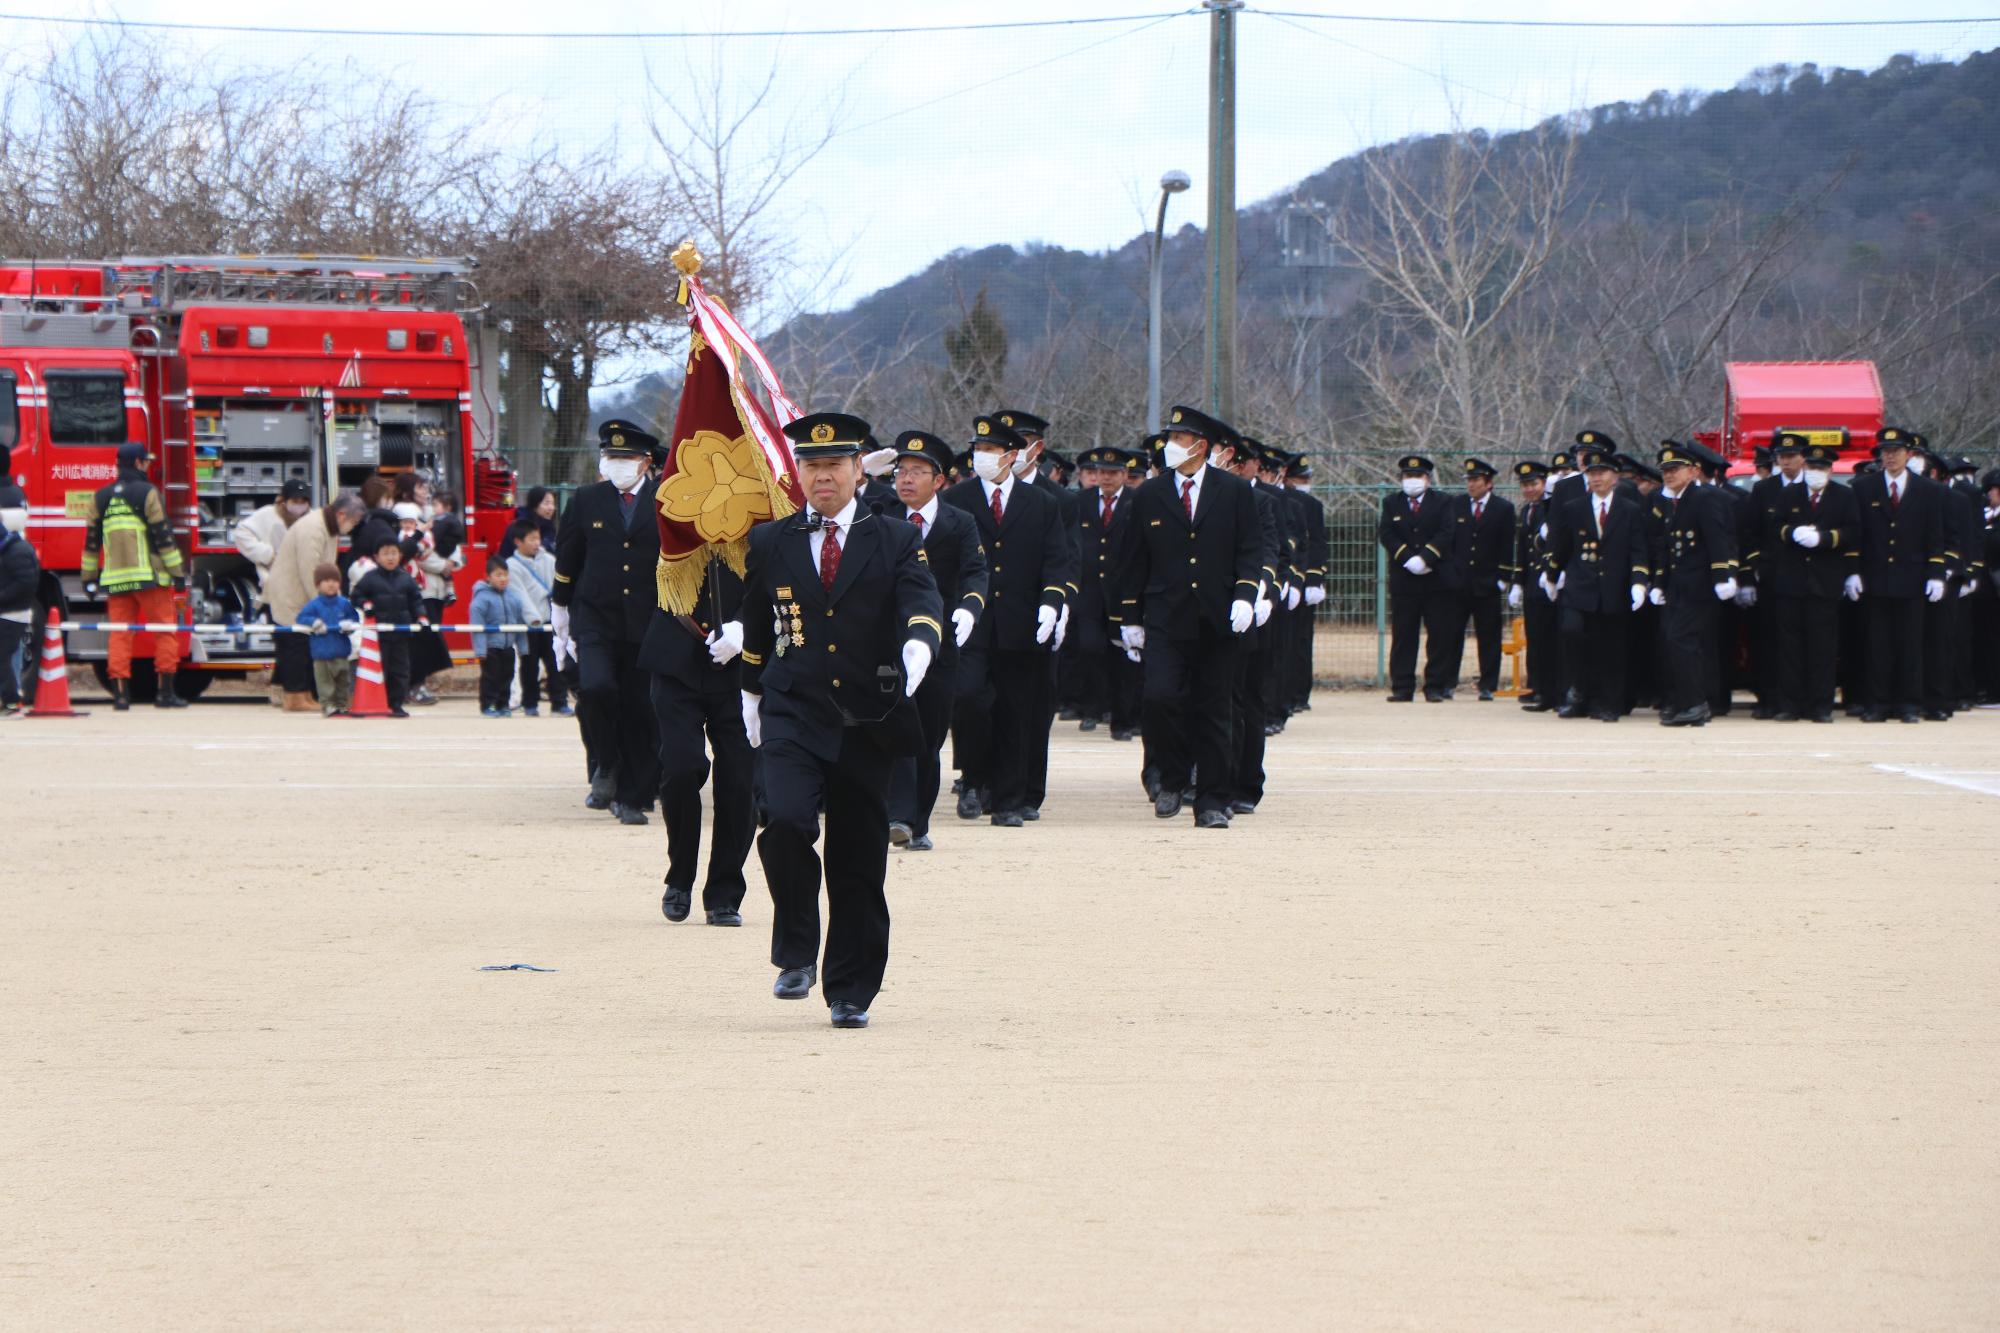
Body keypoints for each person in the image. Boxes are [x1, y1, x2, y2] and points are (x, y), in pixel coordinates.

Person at [734, 411, 943, 1029]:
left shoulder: (897, 537)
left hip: (864, 715)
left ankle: (851, 988)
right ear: (796, 472)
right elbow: (757, 619)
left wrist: (920, 642)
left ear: (859, 469)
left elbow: (921, 597)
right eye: (810, 465)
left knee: (857, 858)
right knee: (786, 822)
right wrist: (750, 692)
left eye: (833, 465)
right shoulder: (773, 541)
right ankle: (797, 947)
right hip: (793, 707)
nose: (821, 477)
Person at [1109, 404, 1262, 828]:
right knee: (1160, 699)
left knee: (1215, 708)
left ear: (1201, 445)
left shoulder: (1233, 492)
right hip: (1165, 617)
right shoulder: (1149, 495)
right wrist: (1130, 618)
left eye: (1179, 439)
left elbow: (1251, 549)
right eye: (1170, 438)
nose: (1171, 446)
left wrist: (1246, 595)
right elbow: (1132, 560)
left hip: (1217, 617)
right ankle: (1173, 778)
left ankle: (1212, 799)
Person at [940, 415, 1075, 827]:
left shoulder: (1042, 503)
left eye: (991, 451)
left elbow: (1057, 560)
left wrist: (1053, 603)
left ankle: (1010, 800)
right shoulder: (958, 499)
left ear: (1011, 456)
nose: (982, 457)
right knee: (970, 700)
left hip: (1022, 622)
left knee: (1017, 710)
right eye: (978, 450)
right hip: (972, 621)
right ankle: (975, 779)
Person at [553, 421, 664, 825]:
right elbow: (568, 558)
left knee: (640, 708)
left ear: (646, 462)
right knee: (596, 688)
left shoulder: (665, 501)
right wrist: (560, 611)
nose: (616, 464)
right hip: (595, 616)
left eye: (626, 458)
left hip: (647, 620)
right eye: (610, 457)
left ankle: (632, 797)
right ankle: (607, 762)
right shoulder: (586, 499)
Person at [885, 430, 987, 852]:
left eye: (917, 472)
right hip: (887, 643)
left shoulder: (958, 522)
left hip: (939, 646)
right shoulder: (879, 514)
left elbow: (975, 572)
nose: (906, 480)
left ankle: (918, 821)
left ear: (939, 480)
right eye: (901, 471)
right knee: (893, 730)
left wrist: (970, 607)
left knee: (928, 736)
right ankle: (896, 816)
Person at [993, 408, 1080, 818]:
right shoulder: (974, 494)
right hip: (987, 617)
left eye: (1017, 441)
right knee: (982, 702)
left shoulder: (1060, 500)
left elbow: (1069, 561)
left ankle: (1028, 789)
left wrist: (1059, 605)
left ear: (1035, 448)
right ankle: (980, 780)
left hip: (1037, 618)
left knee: (1032, 705)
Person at [81, 441, 188, 711]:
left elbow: (92, 543)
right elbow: (163, 537)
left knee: (119, 634)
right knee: (164, 632)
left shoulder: (100, 496)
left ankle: (120, 696)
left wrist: (89, 578)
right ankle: (165, 693)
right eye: (146, 462)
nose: (148, 466)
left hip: (116, 580)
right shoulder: (148, 493)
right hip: (151, 578)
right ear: (139, 463)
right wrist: (177, 573)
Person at [1543, 452, 1649, 722]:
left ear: (1615, 477)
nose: (1597, 478)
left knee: (1611, 647)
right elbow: (1562, 545)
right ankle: (1578, 692)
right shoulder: (1574, 507)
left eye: (1602, 473)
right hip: (1580, 586)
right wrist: (1552, 576)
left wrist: (1639, 582)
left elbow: (1638, 550)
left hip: (1614, 587)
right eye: (1592, 473)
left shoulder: (1630, 509)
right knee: (1572, 632)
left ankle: (1609, 702)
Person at [1851, 427, 1946, 723]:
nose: (1890, 456)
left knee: (1910, 645)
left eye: (1896, 451)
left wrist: (1936, 572)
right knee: (1877, 645)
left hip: (1912, 579)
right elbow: (1857, 534)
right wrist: (1852, 571)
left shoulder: (1928, 491)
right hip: (1875, 578)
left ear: (1909, 453)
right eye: (1885, 451)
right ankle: (1878, 703)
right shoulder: (1863, 488)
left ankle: (1908, 703)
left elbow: (1935, 535)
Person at [1764, 441, 1859, 722]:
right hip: (1791, 581)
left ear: (1830, 470)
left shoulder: (1844, 496)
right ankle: (1791, 704)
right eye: (1812, 466)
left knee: (1823, 647)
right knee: (1790, 647)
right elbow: (1775, 526)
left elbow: (1853, 530)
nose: (1816, 471)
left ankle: (1821, 705)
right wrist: (1792, 532)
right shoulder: (1789, 494)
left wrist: (1825, 538)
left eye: (1822, 467)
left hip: (1825, 581)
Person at [1652, 442, 1739, 728]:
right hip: (1679, 585)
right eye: (1665, 470)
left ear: (1692, 471)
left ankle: (1694, 703)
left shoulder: (1703, 498)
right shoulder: (1673, 501)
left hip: (1700, 585)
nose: (1668, 475)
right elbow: (1668, 546)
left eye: (1674, 469)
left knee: (1682, 640)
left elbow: (1718, 539)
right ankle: (1690, 702)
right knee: (1678, 642)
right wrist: (1659, 584)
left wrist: (1722, 576)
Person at [1064, 445, 1138, 740]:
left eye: (1112, 473)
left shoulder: (1136, 502)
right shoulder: (1079, 501)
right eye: (1100, 473)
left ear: (1124, 475)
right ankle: (1092, 708)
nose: (1105, 478)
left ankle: (1122, 718)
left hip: (1123, 593)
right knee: (1090, 649)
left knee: (1124, 657)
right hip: (1089, 592)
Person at [267, 493, 365, 711]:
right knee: (296, 646)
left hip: (302, 593)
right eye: (353, 521)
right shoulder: (314, 528)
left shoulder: (327, 527)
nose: (352, 527)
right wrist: (327, 606)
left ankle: (303, 694)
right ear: (341, 515)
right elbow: (312, 572)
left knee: (302, 645)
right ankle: (295, 697)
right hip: (292, 594)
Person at [1378, 454, 1459, 703]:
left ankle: (1435, 685)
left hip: (1436, 578)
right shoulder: (1392, 502)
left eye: (1417, 476)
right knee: (1404, 634)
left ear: (1427, 478)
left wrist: (1425, 558)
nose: (1411, 480)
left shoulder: (1444, 502)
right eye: (1407, 476)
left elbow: (1447, 532)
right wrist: (1407, 558)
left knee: (1438, 633)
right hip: (1405, 579)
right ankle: (1402, 686)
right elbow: (1387, 533)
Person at [1448, 457, 1516, 701]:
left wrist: (1503, 576)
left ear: (1489, 483)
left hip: (1487, 583)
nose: (1471, 485)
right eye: (1469, 480)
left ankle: (1488, 683)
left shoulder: (1503, 509)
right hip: (1459, 582)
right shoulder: (1456, 505)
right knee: (1452, 634)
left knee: (1489, 635)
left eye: (1476, 480)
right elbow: (1450, 543)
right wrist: (1451, 574)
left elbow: (1507, 545)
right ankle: (1448, 682)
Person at [351, 534, 423, 717]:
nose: (390, 557)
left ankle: (396, 703)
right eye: (385, 554)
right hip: (378, 636)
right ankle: (376, 702)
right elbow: (356, 595)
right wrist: (366, 605)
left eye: (394, 553)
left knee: (400, 670)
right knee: (380, 668)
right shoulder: (369, 578)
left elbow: (416, 600)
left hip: (401, 633)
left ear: (400, 555)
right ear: (376, 557)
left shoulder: (406, 578)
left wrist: (422, 616)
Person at [505, 522, 568, 717]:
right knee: (529, 664)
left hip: (551, 622)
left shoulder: (549, 560)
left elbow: (556, 585)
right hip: (528, 624)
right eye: (531, 539)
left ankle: (559, 702)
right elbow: (519, 595)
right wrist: (533, 619)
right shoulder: (511, 565)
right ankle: (530, 703)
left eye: (537, 538)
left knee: (556, 662)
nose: (536, 543)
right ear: (518, 542)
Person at [1510, 461, 1559, 711]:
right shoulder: (1525, 511)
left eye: (1534, 484)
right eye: (1525, 485)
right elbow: (1523, 551)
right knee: (1535, 637)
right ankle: (1536, 685)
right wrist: (1517, 582)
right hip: (1531, 582)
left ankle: (1550, 690)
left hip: (1548, 581)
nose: (1529, 489)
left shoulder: (1551, 509)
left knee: (1549, 638)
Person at [1281, 453, 1328, 714]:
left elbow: (1317, 544)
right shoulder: (1279, 500)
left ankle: (1300, 692)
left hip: (1303, 579)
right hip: (1283, 579)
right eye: (1301, 478)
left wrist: (1314, 578)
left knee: (1301, 641)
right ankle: (1285, 692)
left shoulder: (1311, 504)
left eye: (1307, 477)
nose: (1305, 482)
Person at [230, 478, 313, 616]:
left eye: (303, 501)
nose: (299, 505)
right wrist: (267, 555)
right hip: (274, 587)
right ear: (284, 501)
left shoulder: (313, 519)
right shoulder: (268, 514)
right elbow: (241, 533)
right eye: (295, 501)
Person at [294, 565, 359, 717]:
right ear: (318, 584)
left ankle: (342, 704)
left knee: (343, 681)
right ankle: (328, 705)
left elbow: (355, 619)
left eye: (335, 580)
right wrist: (314, 622)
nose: (331, 584)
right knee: (325, 683)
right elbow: (301, 618)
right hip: (322, 653)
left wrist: (349, 626)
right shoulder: (314, 605)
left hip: (341, 651)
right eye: (326, 581)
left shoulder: (344, 603)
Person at [470, 557, 528, 718]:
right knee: (491, 677)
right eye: (498, 575)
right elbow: (477, 627)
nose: (503, 579)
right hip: (490, 647)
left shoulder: (514, 598)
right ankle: (488, 705)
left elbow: (520, 624)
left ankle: (503, 704)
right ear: (487, 577)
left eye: (505, 575)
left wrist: (523, 647)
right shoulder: (481, 598)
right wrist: (480, 650)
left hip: (508, 646)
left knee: (507, 676)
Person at [0, 483, 38, 718]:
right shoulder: (11, 548)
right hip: (8, 611)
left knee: (3, 658)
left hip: (12, 614)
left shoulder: (17, 550)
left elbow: (25, 584)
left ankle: (12, 703)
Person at [500, 486, 560, 561]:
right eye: (546, 503)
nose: (551, 508)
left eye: (552, 503)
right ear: (534, 505)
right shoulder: (520, 527)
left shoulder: (548, 526)